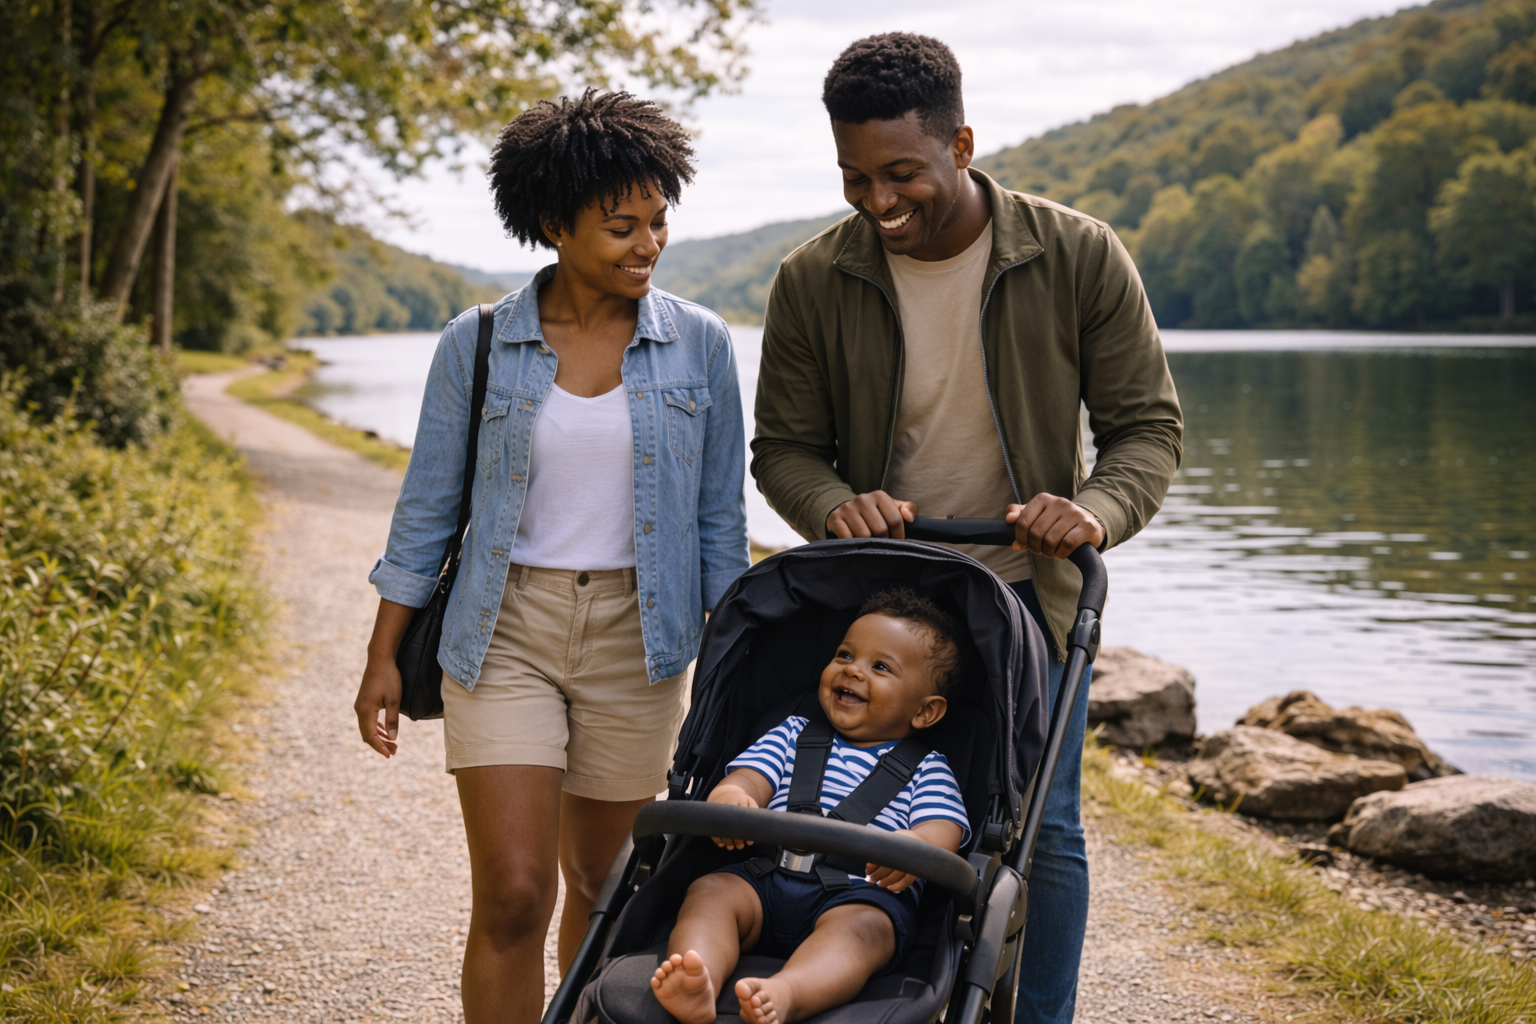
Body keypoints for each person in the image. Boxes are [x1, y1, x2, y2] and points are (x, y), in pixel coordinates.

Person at [750, 34, 1183, 1024]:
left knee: (1045, 830)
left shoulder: (1077, 254)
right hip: (883, 603)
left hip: (1031, 595)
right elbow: (784, 449)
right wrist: (830, 504)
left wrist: (1093, 511)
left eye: (902, 173)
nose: (878, 199)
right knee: (860, 810)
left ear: (963, 144)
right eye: (855, 177)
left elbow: (1146, 432)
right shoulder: (813, 279)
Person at [352, 90, 749, 1024]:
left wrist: (736, 671)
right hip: (505, 632)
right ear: (551, 225)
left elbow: (716, 528)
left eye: (658, 223)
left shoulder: (702, 345)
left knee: (606, 891)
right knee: (518, 892)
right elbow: (426, 512)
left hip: (638, 640)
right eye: (621, 227)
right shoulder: (478, 342)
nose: (647, 244)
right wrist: (382, 652)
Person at [650, 589, 970, 1024]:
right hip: (764, 878)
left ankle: (788, 992)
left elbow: (943, 829)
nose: (852, 670)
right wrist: (732, 799)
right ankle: (699, 974)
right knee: (710, 893)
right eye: (844, 655)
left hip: (862, 894)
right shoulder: (792, 733)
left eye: (880, 667)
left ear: (926, 711)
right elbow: (748, 778)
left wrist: (913, 847)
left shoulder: (927, 768)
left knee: (862, 932)